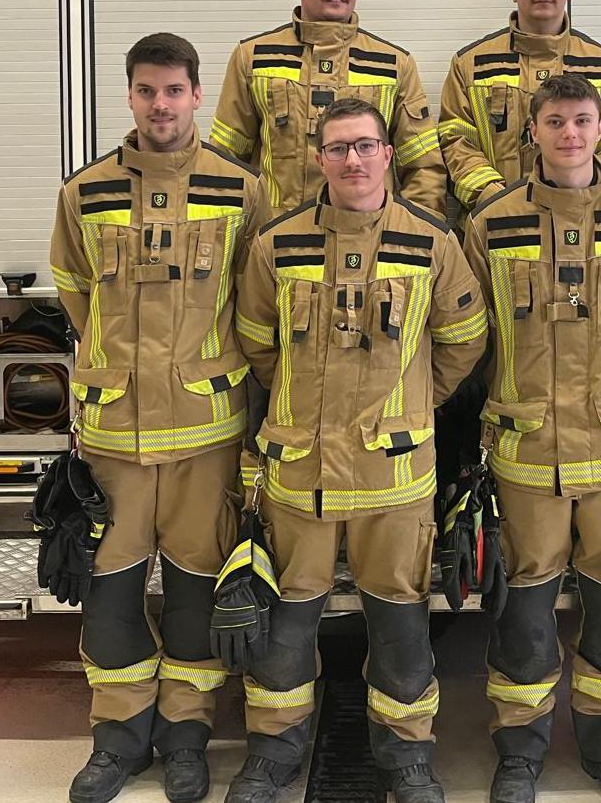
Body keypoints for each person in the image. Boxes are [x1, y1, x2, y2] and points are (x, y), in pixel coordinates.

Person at [227, 97, 488, 803]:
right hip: (299, 472)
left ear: (387, 154)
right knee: (287, 624)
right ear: (319, 158)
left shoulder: (432, 242)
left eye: (365, 145)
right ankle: (273, 753)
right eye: (339, 147)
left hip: (394, 476)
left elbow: (464, 339)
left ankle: (407, 757)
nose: (353, 159)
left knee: (401, 623)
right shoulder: (276, 244)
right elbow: (256, 342)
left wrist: (413, 401)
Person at [50, 33, 262, 803]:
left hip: (207, 432)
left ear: (198, 94)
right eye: (147, 90)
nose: (160, 104)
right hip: (115, 435)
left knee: (195, 591)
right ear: (130, 96)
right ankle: (117, 740)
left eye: (174, 90)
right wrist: (117, 368)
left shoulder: (241, 189)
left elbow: (255, 300)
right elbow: (76, 289)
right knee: (110, 593)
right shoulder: (86, 191)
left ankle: (185, 739)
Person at [462, 74, 601, 803]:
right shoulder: (491, 224)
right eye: (555, 121)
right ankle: (519, 750)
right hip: (524, 446)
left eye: (582, 119)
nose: (570, 133)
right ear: (533, 131)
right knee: (525, 600)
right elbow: (476, 339)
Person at [211, 0, 447, 216]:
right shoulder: (254, 58)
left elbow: (423, 167)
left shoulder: (394, 64)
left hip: (369, 232)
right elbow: (225, 162)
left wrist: (413, 231)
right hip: (275, 235)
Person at [439, 0, 601, 210]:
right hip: (497, 222)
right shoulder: (470, 65)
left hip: (586, 221)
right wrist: (497, 200)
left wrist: (581, 192)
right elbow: (455, 142)